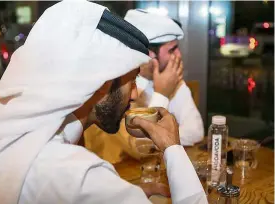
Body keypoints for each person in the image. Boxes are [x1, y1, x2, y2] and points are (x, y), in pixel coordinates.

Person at [0, 1, 207, 204]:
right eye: (131, 80)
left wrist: (122, 191)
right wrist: (172, 148)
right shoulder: (81, 176)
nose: (134, 93)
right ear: (101, 80)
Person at [84, 9, 204, 163]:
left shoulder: (171, 81)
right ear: (149, 54)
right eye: (172, 49)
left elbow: (196, 131)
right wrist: (162, 95)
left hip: (150, 174)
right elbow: (138, 146)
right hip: (117, 176)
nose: (179, 55)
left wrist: (161, 139)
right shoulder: (117, 87)